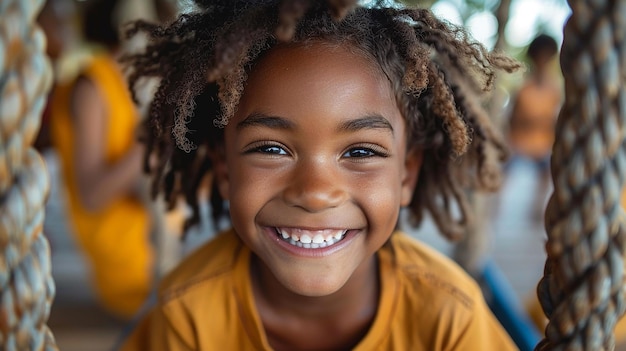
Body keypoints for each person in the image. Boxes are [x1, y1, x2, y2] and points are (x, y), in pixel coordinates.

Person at [118, 1, 522, 349]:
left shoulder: (450, 317)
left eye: (361, 151)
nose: (314, 193)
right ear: (225, 168)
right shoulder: (188, 315)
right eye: (271, 148)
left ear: (405, 176)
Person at [49, 0, 154, 320]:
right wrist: (149, 143)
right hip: (129, 272)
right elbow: (92, 196)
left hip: (157, 250)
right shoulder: (93, 86)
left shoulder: (141, 84)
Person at [506, 34, 562, 218]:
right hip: (519, 144)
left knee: (551, 169)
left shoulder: (555, 90)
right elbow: (512, 120)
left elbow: (556, 122)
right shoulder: (524, 88)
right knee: (500, 171)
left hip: (544, 146)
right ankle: (490, 212)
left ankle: (538, 211)